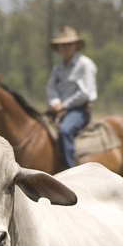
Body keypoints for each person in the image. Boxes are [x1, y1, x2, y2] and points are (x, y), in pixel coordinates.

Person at [46, 26, 98, 168]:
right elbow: (51, 87)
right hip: (58, 109)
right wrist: (55, 102)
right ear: (59, 47)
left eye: (69, 44)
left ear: (75, 45)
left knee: (65, 130)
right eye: (63, 45)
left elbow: (86, 93)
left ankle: (71, 170)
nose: (66, 47)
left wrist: (64, 105)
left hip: (79, 110)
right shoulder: (58, 68)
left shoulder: (85, 65)